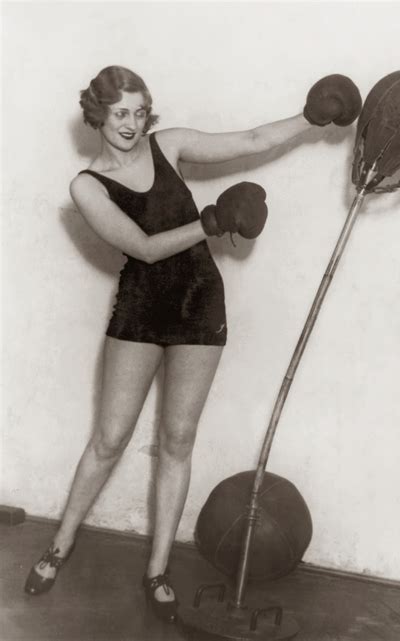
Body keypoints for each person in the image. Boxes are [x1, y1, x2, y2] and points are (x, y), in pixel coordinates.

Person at [24, 66, 361, 622]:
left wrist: (310, 117)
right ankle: (59, 546)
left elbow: (251, 140)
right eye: (118, 113)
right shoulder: (87, 185)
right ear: (98, 115)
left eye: (138, 110)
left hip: (200, 302)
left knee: (178, 439)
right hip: (141, 308)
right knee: (109, 439)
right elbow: (146, 247)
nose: (130, 124)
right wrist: (212, 220)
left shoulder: (169, 145)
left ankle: (157, 570)